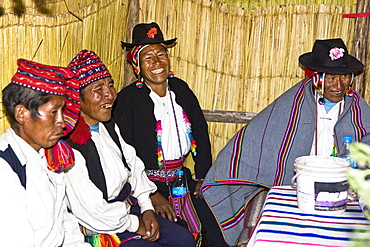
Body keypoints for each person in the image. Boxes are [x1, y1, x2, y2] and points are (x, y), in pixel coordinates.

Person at [201, 38, 370, 246]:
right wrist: (223, 168)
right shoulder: (296, 100)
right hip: (298, 186)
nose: (339, 85)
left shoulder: (357, 107)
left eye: (344, 77)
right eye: (331, 78)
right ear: (317, 77)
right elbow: (259, 137)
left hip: (341, 189)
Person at [64, 50, 195, 247]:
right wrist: (136, 224)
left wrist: (146, 207)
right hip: (99, 225)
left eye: (110, 85)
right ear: (77, 98)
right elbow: (94, 211)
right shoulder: (70, 145)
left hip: (127, 210)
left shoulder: (108, 126)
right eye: (98, 89)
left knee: (183, 239)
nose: (110, 95)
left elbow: (133, 165)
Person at [113, 22, 227, 246]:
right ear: (137, 65)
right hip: (147, 185)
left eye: (160, 54)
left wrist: (202, 177)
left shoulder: (181, 89)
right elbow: (122, 154)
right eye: (148, 57)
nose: (156, 62)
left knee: (215, 227)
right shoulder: (127, 100)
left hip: (181, 179)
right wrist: (150, 195)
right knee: (178, 233)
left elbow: (201, 134)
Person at [0, 59, 89, 246]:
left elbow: (65, 224)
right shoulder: (6, 168)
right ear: (21, 114)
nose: (62, 122)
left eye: (62, 111)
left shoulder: (49, 155)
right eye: (53, 112)